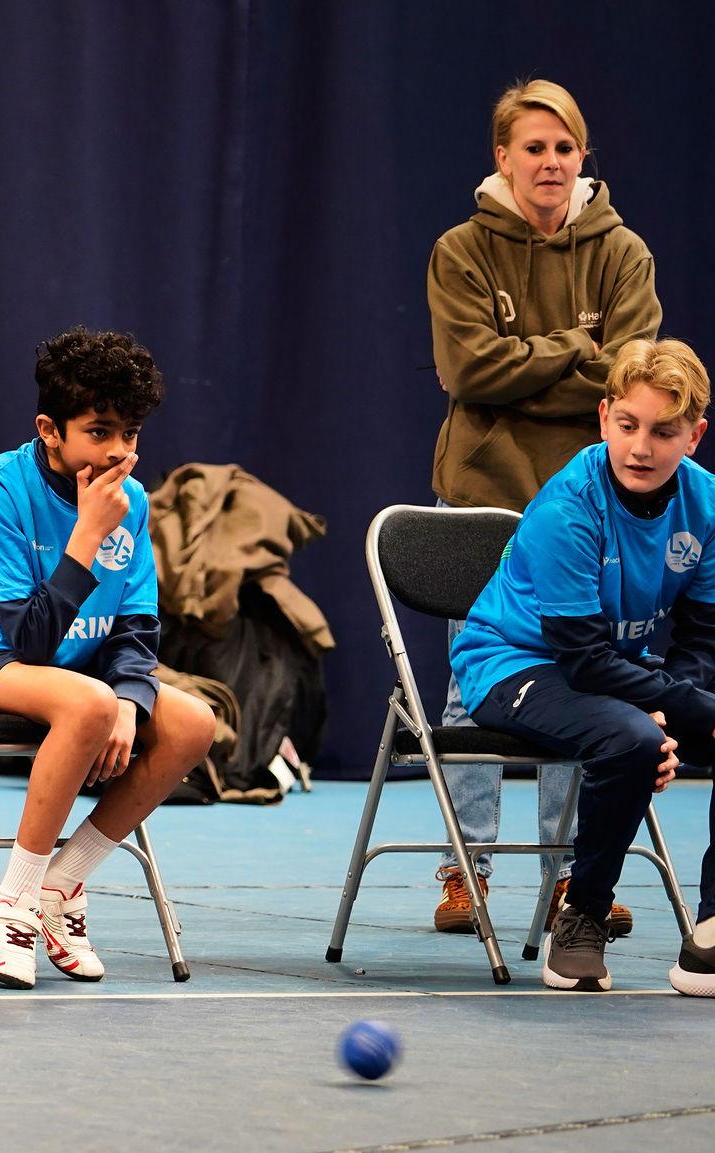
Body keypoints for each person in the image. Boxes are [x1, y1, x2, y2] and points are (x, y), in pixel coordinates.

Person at [0, 328, 215, 989]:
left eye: (132, 432)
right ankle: (10, 902)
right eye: (101, 431)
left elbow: (138, 627)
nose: (121, 450)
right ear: (50, 430)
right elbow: (29, 640)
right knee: (88, 700)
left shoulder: (134, 500)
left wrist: (129, 697)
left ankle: (61, 886)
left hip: (70, 671)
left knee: (192, 722)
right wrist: (89, 534)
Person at [426, 79, 659, 936]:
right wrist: (575, 350)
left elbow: (634, 381)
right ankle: (467, 870)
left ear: (581, 157)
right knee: (469, 683)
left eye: (565, 148)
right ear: (503, 158)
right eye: (534, 148)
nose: (551, 163)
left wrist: (534, 366)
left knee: (583, 678)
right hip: (480, 494)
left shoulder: (623, 251)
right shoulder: (461, 250)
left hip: (589, 505)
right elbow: (469, 373)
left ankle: (572, 876)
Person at [450, 338, 715, 994]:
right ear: (604, 419)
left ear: (695, 435)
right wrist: (664, 709)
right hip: (512, 664)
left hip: (614, 667)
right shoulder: (568, 505)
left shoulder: (705, 505)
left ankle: (710, 931)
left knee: (659, 721)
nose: (641, 448)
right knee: (632, 738)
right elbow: (583, 659)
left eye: (663, 431)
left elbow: (703, 641)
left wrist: (677, 703)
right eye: (627, 426)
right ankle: (583, 915)